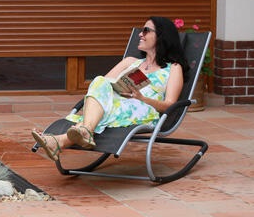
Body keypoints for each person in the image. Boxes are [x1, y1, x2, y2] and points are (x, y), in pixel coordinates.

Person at [31, 16, 188, 159]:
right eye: (141, 30)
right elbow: (102, 86)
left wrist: (142, 98)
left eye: (146, 30)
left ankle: (68, 137)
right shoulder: (130, 62)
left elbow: (170, 105)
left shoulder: (173, 68)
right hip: (117, 103)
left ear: (161, 36)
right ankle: (81, 132)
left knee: (99, 112)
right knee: (100, 81)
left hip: (144, 110)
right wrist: (120, 87)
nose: (140, 34)